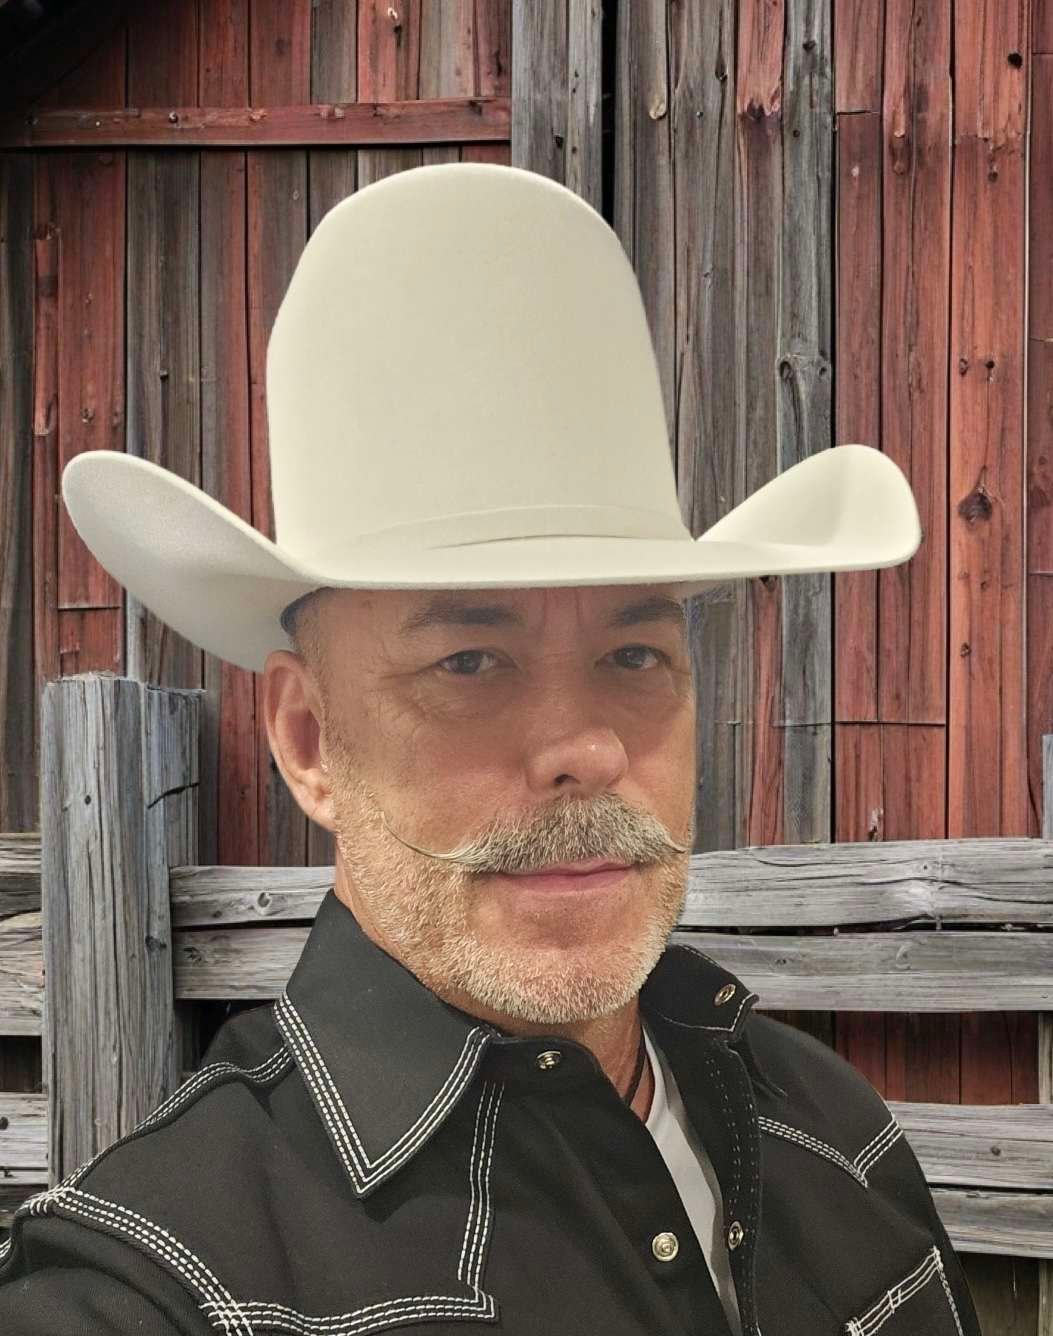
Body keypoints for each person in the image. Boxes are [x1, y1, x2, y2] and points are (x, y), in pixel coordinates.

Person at [0, 163, 980, 1335]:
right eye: (470, 663)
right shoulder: (152, 1288)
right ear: (310, 741)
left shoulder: (836, 1131)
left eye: (634, 654)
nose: (586, 748)